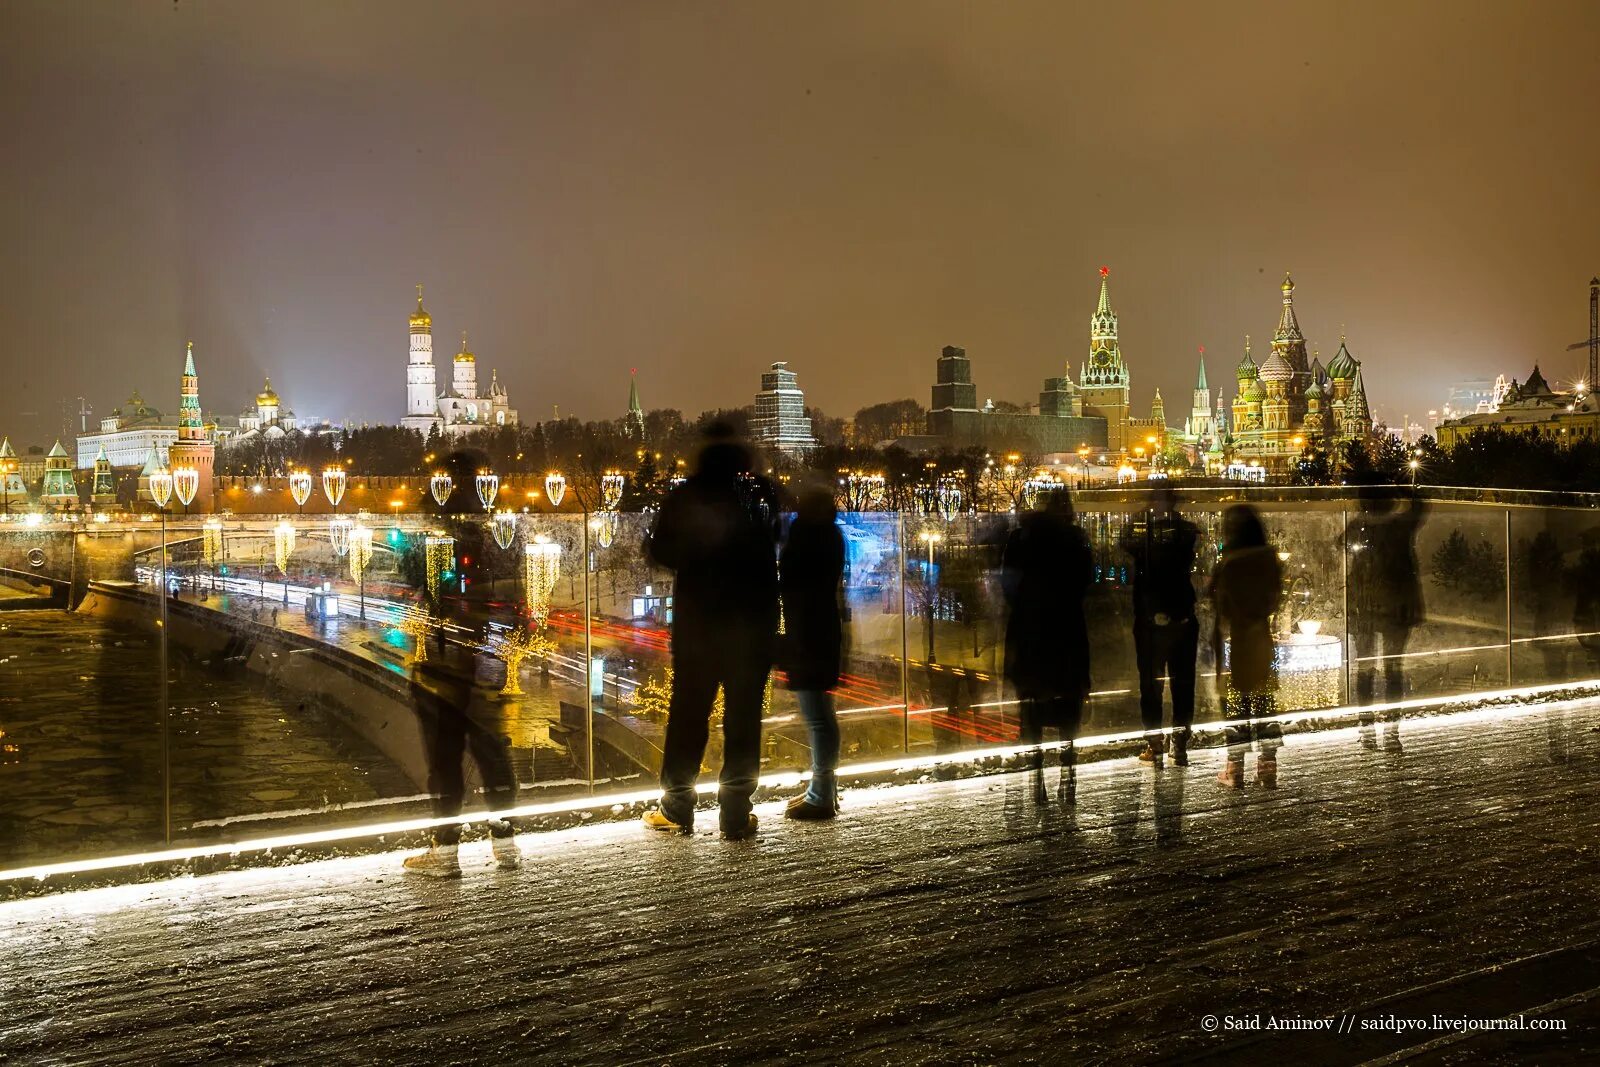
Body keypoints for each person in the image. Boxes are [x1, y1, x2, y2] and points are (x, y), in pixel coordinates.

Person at [642, 424, 780, 840]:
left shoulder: (688, 495)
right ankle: (736, 813)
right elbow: (773, 545)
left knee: (688, 716)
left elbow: (661, 550)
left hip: (701, 625)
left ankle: (677, 807)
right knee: (743, 720)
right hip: (752, 626)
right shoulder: (759, 495)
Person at [404, 450, 522, 878]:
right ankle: (506, 844)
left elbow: (416, 574)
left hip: (446, 662)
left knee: (445, 759)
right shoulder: (502, 531)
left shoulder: (440, 531)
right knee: (492, 753)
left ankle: (445, 851)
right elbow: (514, 593)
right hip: (489, 658)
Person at [1001, 488, 1094, 802]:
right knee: (1068, 709)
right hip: (1066, 631)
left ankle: (1036, 779)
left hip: (1030, 633)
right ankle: (1068, 778)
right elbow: (1085, 582)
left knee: (1032, 711)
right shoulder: (1075, 540)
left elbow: (1008, 586)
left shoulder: (1020, 538)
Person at [1119, 484, 1201, 768]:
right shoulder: (1186, 532)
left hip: (1150, 620)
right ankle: (1179, 745)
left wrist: (1142, 517)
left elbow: (1125, 542)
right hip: (1183, 617)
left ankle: (1154, 744)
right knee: (1183, 683)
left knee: (1151, 684)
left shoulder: (1145, 540)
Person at [778, 482, 847, 820]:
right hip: (821, 632)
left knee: (818, 717)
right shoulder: (830, 535)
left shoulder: (806, 536)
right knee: (821, 715)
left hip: (808, 635)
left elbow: (792, 585)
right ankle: (823, 791)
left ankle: (821, 795)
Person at [1343, 486, 1426, 752]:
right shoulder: (1400, 526)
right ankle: (1391, 733)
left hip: (1364, 604)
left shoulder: (1359, 527)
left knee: (1365, 669)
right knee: (1393, 669)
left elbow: (1342, 544)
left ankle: (1367, 730)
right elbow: (1419, 506)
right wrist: (1402, 485)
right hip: (1396, 605)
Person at [1208, 504, 1283, 789]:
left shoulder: (1230, 562)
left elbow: (1220, 604)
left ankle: (1234, 769)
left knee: (1236, 706)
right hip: (1262, 637)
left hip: (1235, 640)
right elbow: (1274, 598)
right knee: (1264, 703)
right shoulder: (1269, 559)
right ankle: (1268, 766)